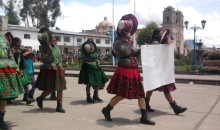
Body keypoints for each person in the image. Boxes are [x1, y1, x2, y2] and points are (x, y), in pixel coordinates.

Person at [102, 14, 155, 125]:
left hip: (133, 70)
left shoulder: (127, 42)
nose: (131, 33)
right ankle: (107, 109)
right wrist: (130, 41)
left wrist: (141, 49)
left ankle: (144, 117)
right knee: (121, 95)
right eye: (129, 32)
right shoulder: (117, 42)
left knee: (141, 94)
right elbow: (126, 52)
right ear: (125, 32)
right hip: (125, 71)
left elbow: (132, 53)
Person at [145, 28, 187, 115]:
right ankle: (175, 107)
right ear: (156, 35)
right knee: (165, 88)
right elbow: (157, 57)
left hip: (156, 70)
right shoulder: (156, 44)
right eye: (160, 33)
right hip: (158, 70)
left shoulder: (158, 43)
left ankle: (146, 104)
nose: (162, 34)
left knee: (153, 87)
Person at [35, 28, 66, 113]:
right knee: (50, 89)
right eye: (52, 38)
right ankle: (40, 98)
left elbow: (59, 59)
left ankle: (59, 106)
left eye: (55, 38)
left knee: (60, 88)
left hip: (58, 69)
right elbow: (47, 59)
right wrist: (50, 50)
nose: (54, 39)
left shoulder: (56, 47)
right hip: (50, 70)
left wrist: (62, 68)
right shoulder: (43, 48)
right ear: (48, 39)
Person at [0, 33, 24, 129]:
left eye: (0, 23)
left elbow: (10, 54)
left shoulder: (4, 38)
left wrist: (16, 68)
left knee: (4, 95)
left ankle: (1, 119)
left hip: (5, 69)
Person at [12, 37, 32, 105]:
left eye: (20, 43)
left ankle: (26, 97)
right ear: (14, 43)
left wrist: (22, 69)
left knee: (25, 83)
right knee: (12, 84)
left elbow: (22, 61)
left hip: (20, 70)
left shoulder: (20, 51)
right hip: (12, 70)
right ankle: (8, 98)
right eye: (18, 43)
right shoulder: (11, 51)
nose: (19, 44)